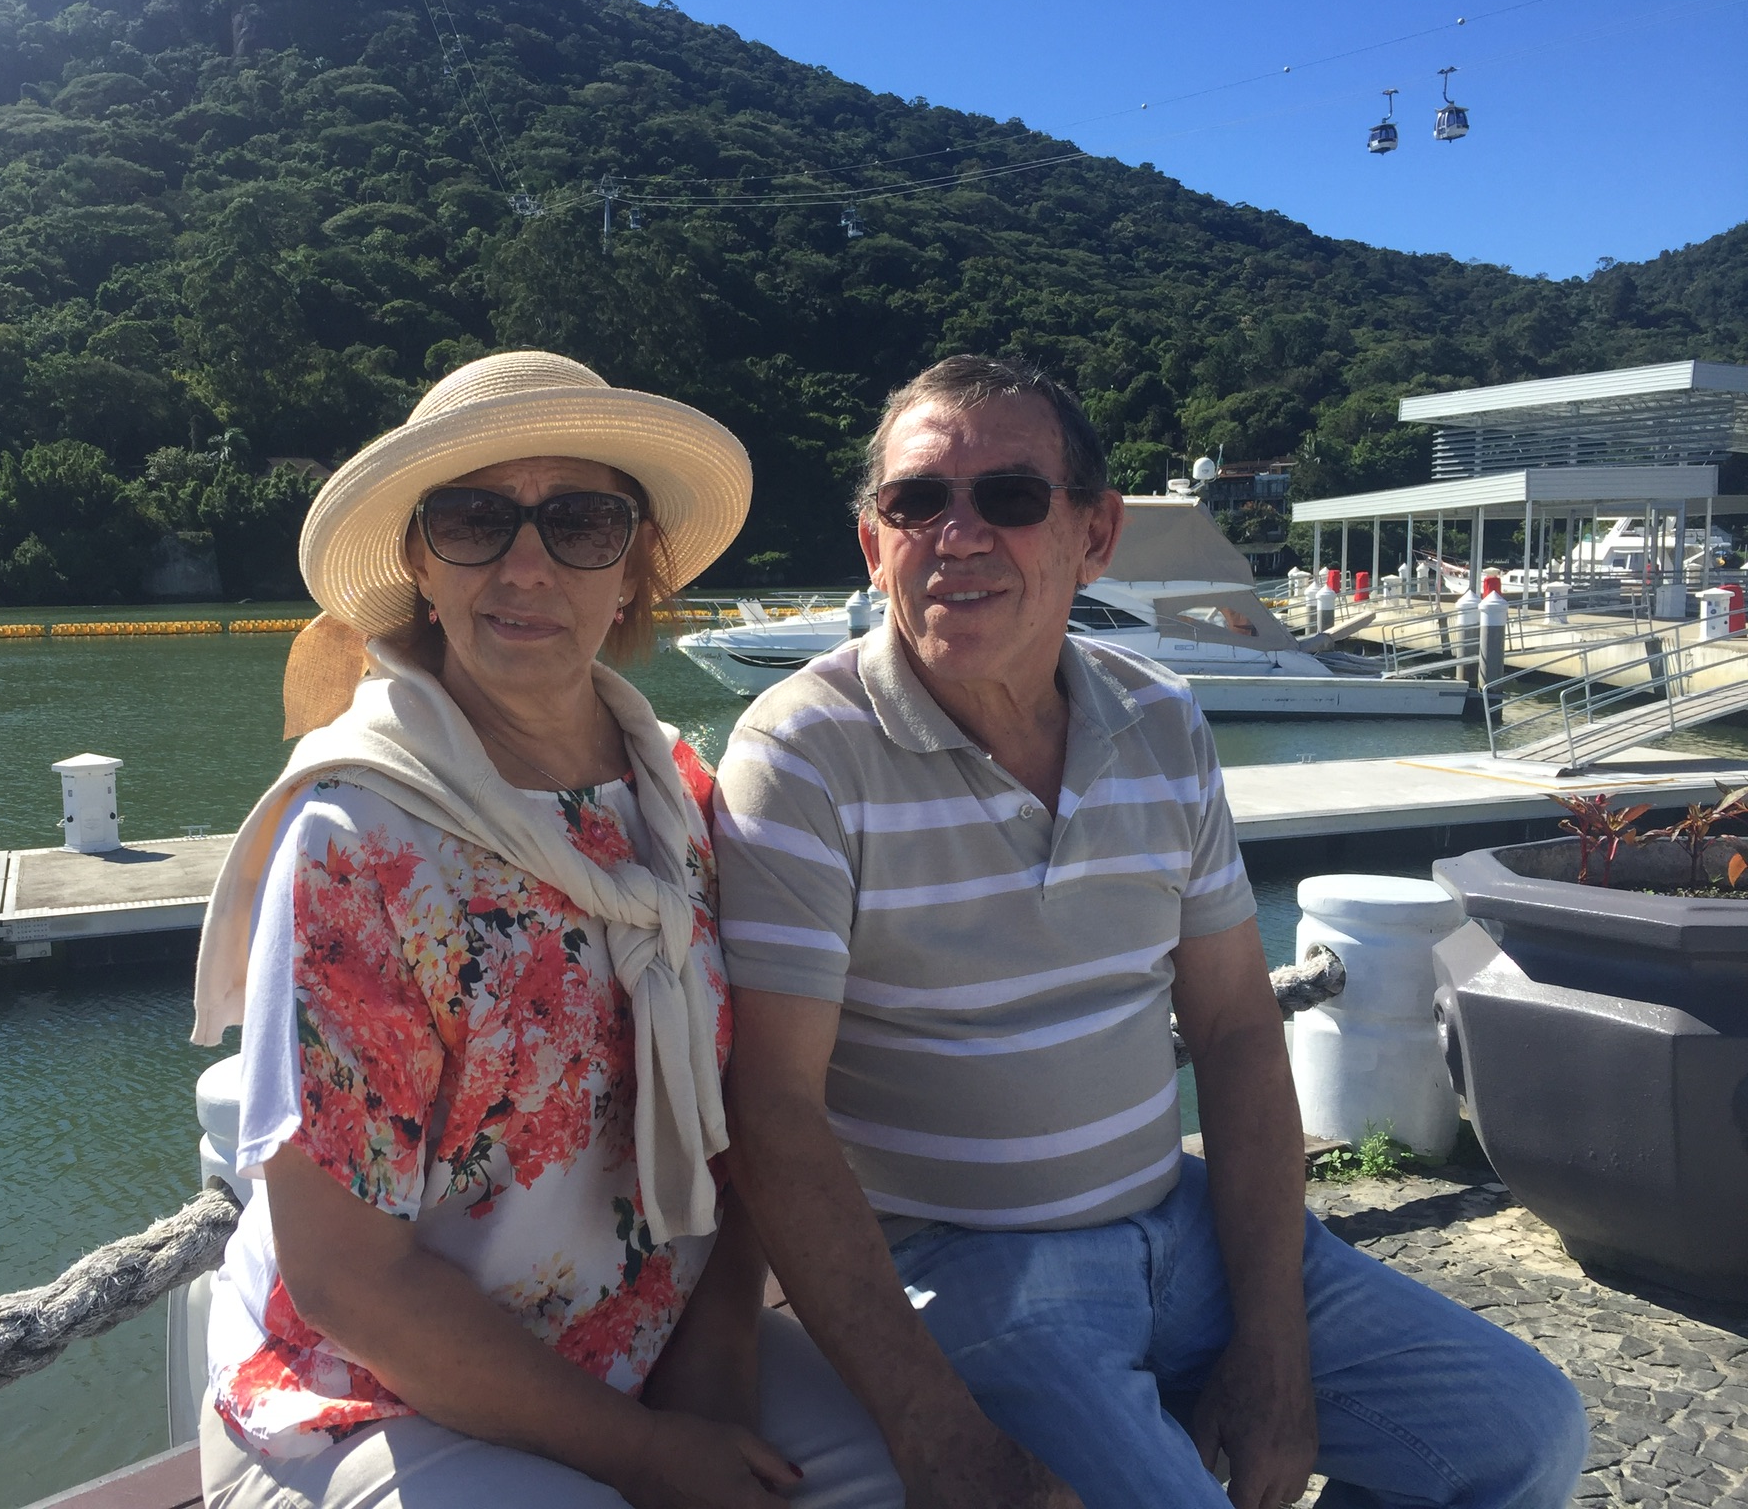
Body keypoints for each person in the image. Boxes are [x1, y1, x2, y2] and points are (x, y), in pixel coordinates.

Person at [714, 354, 1590, 1509]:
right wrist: (930, 1429)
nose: (957, 535)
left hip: (1183, 1226)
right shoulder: (801, 755)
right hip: (967, 1266)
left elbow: (1233, 1030)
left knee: (1521, 1435)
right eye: (916, 501)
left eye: (1008, 497)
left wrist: (1271, 1344)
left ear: (1094, 533)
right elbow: (771, 1106)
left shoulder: (1160, 720)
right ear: (875, 545)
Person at [188, 351, 900, 1509]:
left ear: (632, 570)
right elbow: (349, 1284)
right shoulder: (358, 841)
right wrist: (649, 1458)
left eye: (580, 522)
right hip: (374, 1389)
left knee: (896, 1479)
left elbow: (741, 1134)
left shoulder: (677, 803)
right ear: (421, 564)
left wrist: (714, 1385)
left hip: (649, 1339)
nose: (525, 565)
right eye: (473, 520)